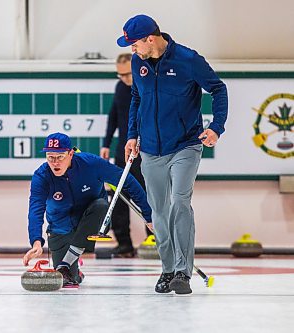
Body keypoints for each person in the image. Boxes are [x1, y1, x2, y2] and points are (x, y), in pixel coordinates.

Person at [117, 15, 228, 294]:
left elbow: (218, 89)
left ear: (150, 39)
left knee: (180, 201)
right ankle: (167, 270)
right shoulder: (138, 62)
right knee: (159, 212)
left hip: (185, 145)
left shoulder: (188, 60)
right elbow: (137, 99)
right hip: (151, 149)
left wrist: (216, 127)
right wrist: (132, 135)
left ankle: (183, 271)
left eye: (134, 44)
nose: (132, 50)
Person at [23, 132, 152, 288]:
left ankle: (68, 263)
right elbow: (35, 209)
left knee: (101, 205)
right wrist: (36, 242)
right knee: (68, 280)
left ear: (71, 154)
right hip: (60, 227)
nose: (55, 163)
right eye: (50, 157)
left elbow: (127, 181)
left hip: (94, 219)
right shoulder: (41, 176)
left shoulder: (91, 164)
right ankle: (74, 268)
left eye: (60, 157)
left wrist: (148, 215)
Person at [100, 53, 152, 258]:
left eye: (127, 74)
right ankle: (124, 245)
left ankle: (154, 240)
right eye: (120, 75)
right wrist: (106, 143)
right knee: (119, 199)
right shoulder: (121, 87)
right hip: (123, 151)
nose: (124, 79)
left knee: (149, 197)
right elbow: (114, 115)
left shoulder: (148, 86)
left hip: (146, 152)